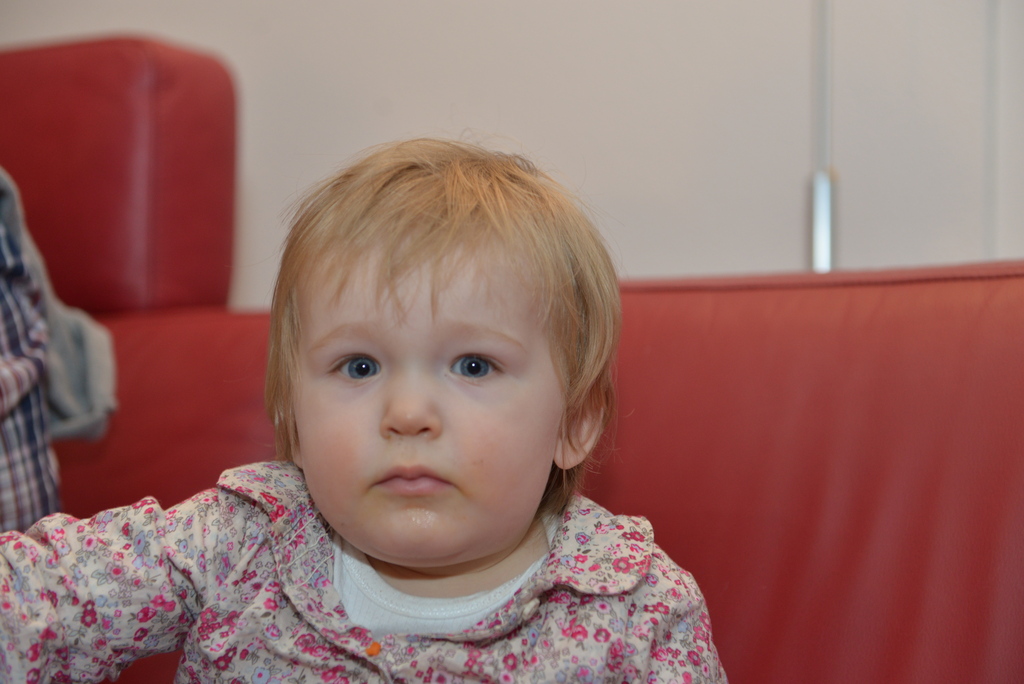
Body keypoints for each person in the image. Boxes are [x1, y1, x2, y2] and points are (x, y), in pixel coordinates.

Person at [0, 139, 726, 682]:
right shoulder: (235, 544)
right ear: (292, 415)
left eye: (473, 365)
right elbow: (39, 600)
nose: (407, 413)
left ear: (574, 422)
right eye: (360, 366)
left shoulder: (637, 612)